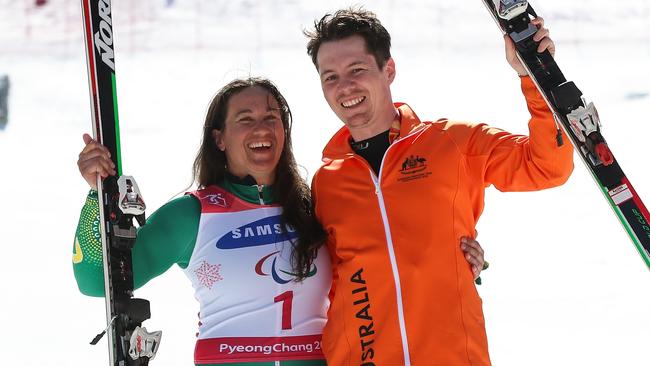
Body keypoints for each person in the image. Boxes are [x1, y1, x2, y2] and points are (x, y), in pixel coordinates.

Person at [72, 77, 488, 365]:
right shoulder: (194, 213)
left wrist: (462, 256)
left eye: (272, 117)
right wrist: (97, 195)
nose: (262, 128)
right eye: (245, 119)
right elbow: (96, 281)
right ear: (219, 138)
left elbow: (388, 254)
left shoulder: (316, 206)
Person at [304, 8, 573, 366]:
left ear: (389, 69)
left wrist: (533, 77)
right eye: (330, 77)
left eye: (357, 70)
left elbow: (545, 167)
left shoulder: (452, 143)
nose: (345, 87)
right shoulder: (327, 181)